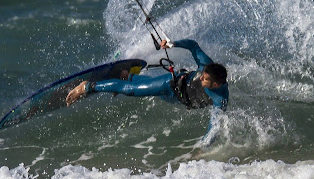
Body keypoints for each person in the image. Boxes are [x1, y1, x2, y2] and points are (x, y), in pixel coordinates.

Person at [66, 39, 228, 142]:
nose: (201, 77)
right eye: (203, 75)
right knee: (132, 91)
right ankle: (88, 86)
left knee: (143, 86)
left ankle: (125, 75)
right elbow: (193, 45)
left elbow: (214, 126)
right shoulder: (207, 66)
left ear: (215, 85)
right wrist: (173, 44)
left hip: (176, 98)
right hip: (169, 83)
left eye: (205, 79)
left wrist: (203, 147)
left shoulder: (219, 100)